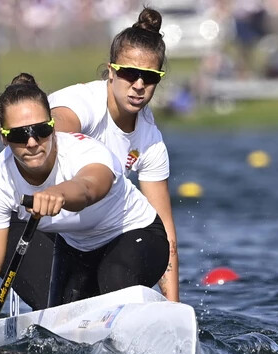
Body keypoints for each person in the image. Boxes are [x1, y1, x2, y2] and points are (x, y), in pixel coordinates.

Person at [0, 73, 169, 345]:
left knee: (114, 280)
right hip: (77, 249)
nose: (33, 142)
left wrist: (58, 194)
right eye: (20, 135)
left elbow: (90, 187)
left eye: (41, 130)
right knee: (59, 329)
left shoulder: (86, 153)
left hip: (136, 234)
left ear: (53, 125)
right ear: (4, 138)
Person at [48, 7, 179, 302]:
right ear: (111, 71)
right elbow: (52, 135)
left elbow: (166, 228)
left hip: (108, 229)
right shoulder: (84, 103)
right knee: (56, 306)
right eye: (130, 73)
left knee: (116, 281)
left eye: (150, 77)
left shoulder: (151, 140)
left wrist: (174, 308)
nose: (139, 85)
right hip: (50, 224)